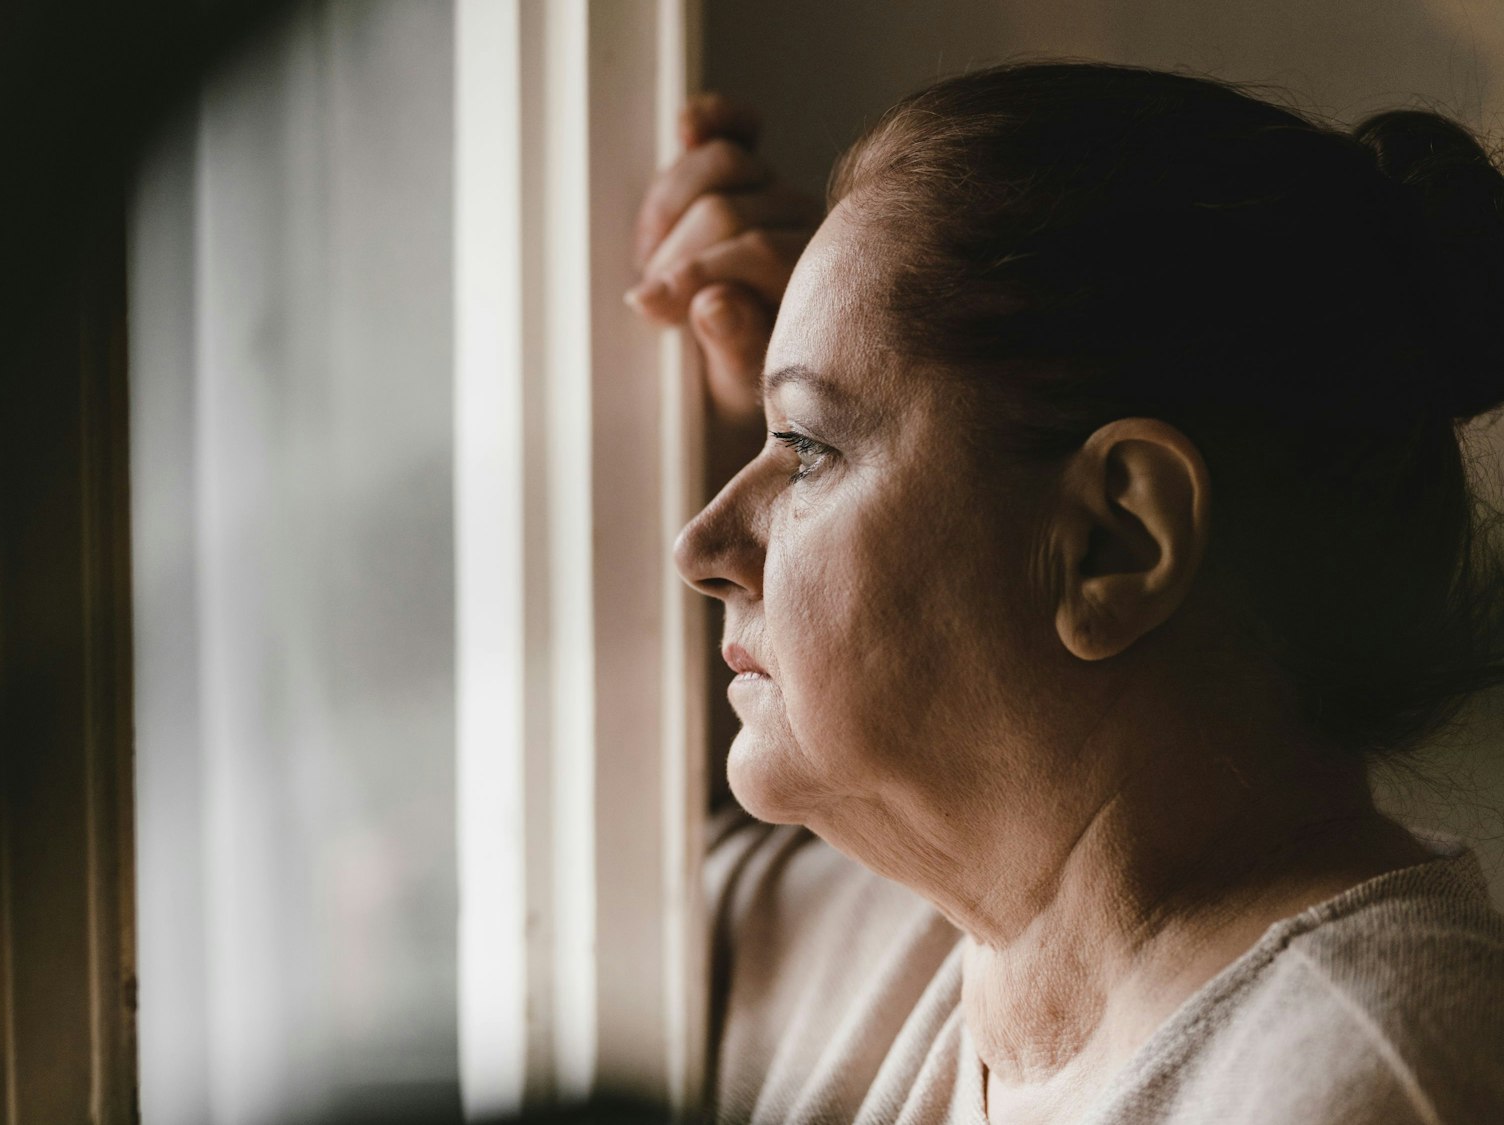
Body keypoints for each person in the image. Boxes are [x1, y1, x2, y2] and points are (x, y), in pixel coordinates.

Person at [629, 62, 1504, 1124]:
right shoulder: (842, 943)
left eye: (807, 449)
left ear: (1109, 543)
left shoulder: (1361, 1086)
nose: (701, 546)